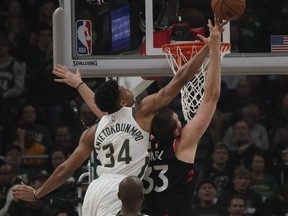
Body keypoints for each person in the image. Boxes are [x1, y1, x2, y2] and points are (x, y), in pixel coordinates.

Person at [12, 17, 226, 215]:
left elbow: (65, 169)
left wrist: (37, 194)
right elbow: (180, 80)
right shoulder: (141, 115)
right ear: (122, 102)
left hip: (94, 189)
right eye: (125, 91)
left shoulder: (95, 129)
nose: (129, 90)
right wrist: (208, 48)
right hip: (119, 189)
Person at [141, 18, 226, 215]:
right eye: (179, 120)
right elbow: (210, 98)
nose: (182, 121)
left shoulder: (140, 146)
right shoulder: (181, 146)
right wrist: (214, 48)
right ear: (177, 131)